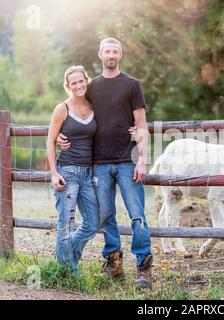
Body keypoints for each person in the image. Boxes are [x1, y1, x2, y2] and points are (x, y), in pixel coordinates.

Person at [57, 38, 152, 288]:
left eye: (115, 51)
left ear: (120, 54)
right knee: (106, 216)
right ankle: (113, 263)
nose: (111, 54)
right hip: (98, 164)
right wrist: (57, 134)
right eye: (107, 51)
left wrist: (142, 160)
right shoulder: (91, 87)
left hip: (127, 161)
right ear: (100, 54)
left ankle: (143, 266)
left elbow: (141, 125)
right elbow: (71, 109)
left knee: (137, 215)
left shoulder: (133, 85)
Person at [47, 65, 99, 274]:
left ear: (87, 81)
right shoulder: (63, 108)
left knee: (93, 223)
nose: (78, 86)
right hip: (66, 172)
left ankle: (67, 261)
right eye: (73, 83)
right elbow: (50, 141)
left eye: (81, 81)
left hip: (88, 174)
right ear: (68, 86)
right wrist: (53, 173)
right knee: (65, 223)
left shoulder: (94, 106)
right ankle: (67, 270)